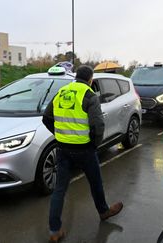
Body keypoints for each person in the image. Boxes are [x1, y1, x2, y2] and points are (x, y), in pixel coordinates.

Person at [42, 65, 123, 243]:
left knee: (59, 190)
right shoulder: (89, 94)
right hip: (84, 149)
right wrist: (94, 144)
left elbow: (46, 118)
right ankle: (103, 211)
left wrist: (59, 135)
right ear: (90, 79)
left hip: (62, 149)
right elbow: (98, 125)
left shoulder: (62, 92)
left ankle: (54, 231)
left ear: (75, 77)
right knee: (95, 182)